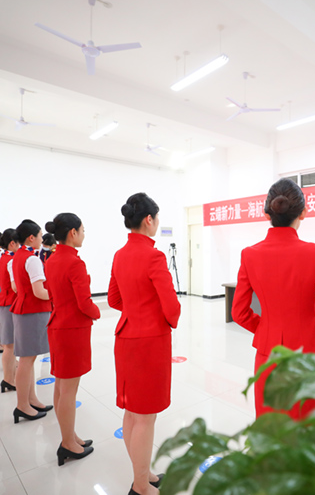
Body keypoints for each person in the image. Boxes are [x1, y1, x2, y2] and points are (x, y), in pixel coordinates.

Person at [232, 178, 315, 420]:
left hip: (268, 356)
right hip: (309, 356)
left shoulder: (249, 255)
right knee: (308, 429)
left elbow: (239, 313)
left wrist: (265, 329)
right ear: (303, 213)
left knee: (270, 429)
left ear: (267, 214)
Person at [109, 193, 180, 495]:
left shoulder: (119, 255)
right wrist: (160, 317)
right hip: (149, 343)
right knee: (146, 417)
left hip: (125, 338)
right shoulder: (154, 256)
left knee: (131, 412)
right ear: (148, 220)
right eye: (157, 217)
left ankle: (143, 473)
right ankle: (140, 486)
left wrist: (135, 311)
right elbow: (171, 307)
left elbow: (114, 299)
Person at [44, 213, 100, 466]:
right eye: (82, 230)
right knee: (68, 390)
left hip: (58, 325)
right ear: (72, 233)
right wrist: (97, 312)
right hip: (72, 329)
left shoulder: (52, 259)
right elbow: (84, 302)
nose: (84, 235)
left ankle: (70, 435)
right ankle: (67, 443)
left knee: (61, 386)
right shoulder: (74, 263)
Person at [10, 219, 54, 423]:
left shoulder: (18, 256)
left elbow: (18, 287)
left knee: (28, 359)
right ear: (31, 237)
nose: (42, 239)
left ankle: (31, 399)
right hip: (32, 311)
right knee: (27, 361)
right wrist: (57, 295)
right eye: (40, 235)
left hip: (23, 309)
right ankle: (22, 405)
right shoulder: (32, 259)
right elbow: (39, 292)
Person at [0, 228, 19, 393]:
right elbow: (15, 286)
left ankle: (9, 377)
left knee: (9, 344)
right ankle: (8, 379)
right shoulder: (11, 260)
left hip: (6, 302)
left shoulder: (4, 257)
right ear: (12, 243)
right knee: (10, 345)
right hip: (9, 303)